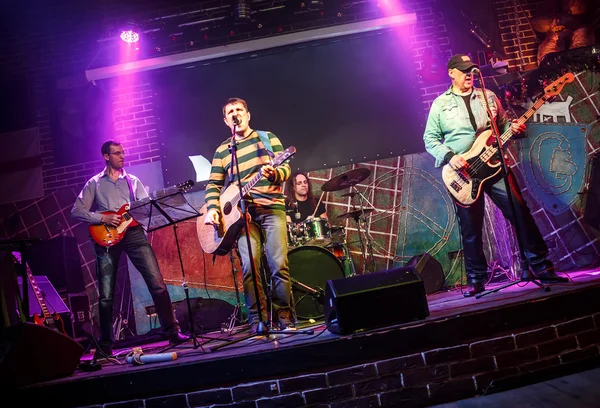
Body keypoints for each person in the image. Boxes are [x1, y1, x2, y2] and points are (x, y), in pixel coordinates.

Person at [423, 54, 568, 297]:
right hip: (464, 173)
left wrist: (515, 129)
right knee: (471, 228)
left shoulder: (488, 96)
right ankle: (476, 279)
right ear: (452, 73)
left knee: (520, 213)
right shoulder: (440, 104)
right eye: (463, 70)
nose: (469, 74)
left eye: (471, 70)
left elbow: (502, 128)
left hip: (496, 165)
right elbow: (430, 139)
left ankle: (542, 268)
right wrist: (450, 157)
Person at [72, 140, 188, 360]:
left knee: (158, 284)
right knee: (106, 296)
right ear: (106, 156)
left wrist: (154, 204)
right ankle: (106, 345)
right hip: (105, 237)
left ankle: (172, 332)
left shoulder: (133, 181)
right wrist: (102, 217)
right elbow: (76, 211)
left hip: (133, 235)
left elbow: (144, 209)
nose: (122, 157)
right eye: (116, 153)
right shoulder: (94, 183)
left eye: (123, 153)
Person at [203, 97, 296, 332]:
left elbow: (285, 168)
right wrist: (214, 209)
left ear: (247, 114)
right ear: (226, 120)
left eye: (239, 110)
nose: (236, 114)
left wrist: (274, 173)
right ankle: (257, 320)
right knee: (249, 267)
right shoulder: (223, 151)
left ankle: (284, 317)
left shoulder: (267, 138)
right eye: (231, 112)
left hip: (272, 207)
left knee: (278, 264)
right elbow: (213, 186)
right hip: (242, 217)